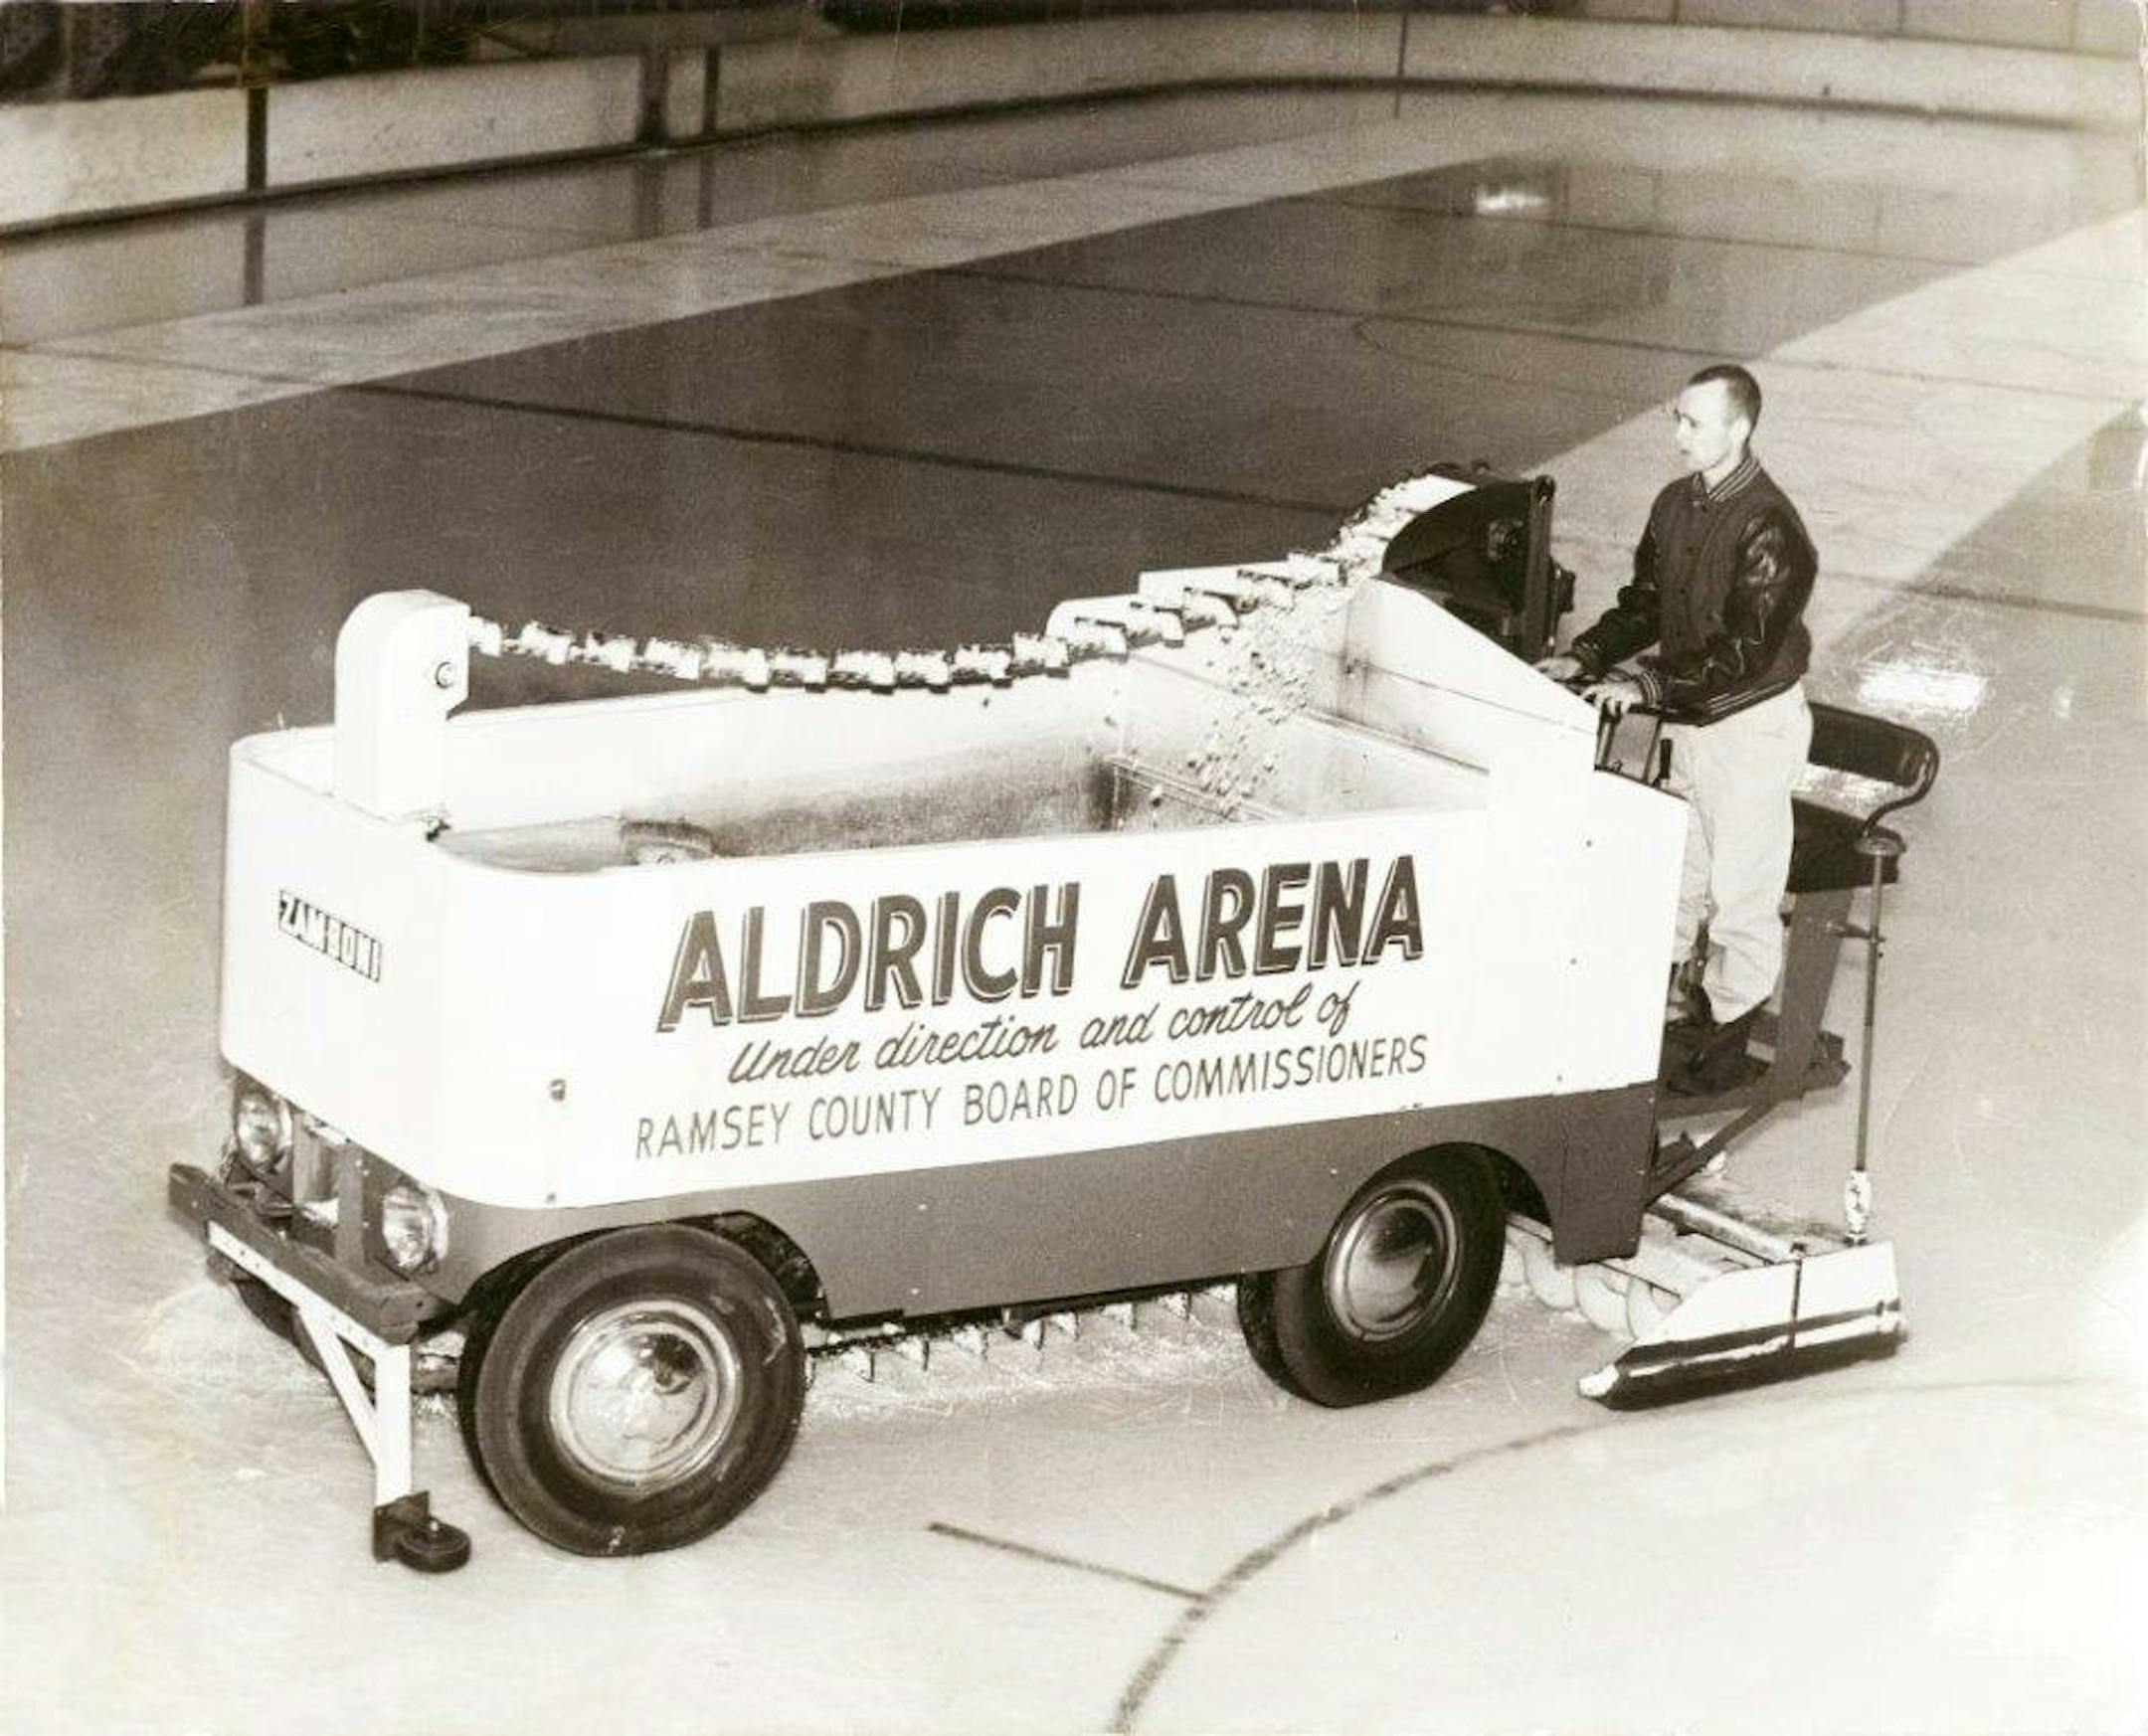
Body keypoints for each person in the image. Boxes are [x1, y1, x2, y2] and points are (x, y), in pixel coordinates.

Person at [1538, 364, 1816, 1094]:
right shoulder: (1673, 505)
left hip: (1750, 724)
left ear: (1740, 428)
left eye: (1694, 423)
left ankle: (1729, 1032)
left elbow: (1741, 655)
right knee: (1678, 871)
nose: (1679, 435)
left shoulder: (1771, 529)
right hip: (1691, 719)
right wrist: (1588, 654)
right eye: (1677, 419)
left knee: (1741, 885)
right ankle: (1664, 1012)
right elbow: (1646, 602)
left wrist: (1647, 682)